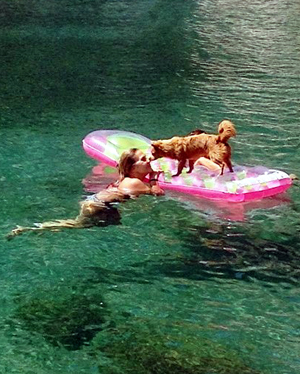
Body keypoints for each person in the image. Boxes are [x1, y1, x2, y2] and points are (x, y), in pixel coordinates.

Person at [7, 148, 164, 239]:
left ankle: (33, 229)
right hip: (99, 205)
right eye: (144, 159)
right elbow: (158, 193)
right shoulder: (134, 183)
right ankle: (29, 229)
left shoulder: (126, 180)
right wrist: (155, 179)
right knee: (75, 225)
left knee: (88, 225)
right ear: (133, 168)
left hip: (99, 202)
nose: (149, 159)